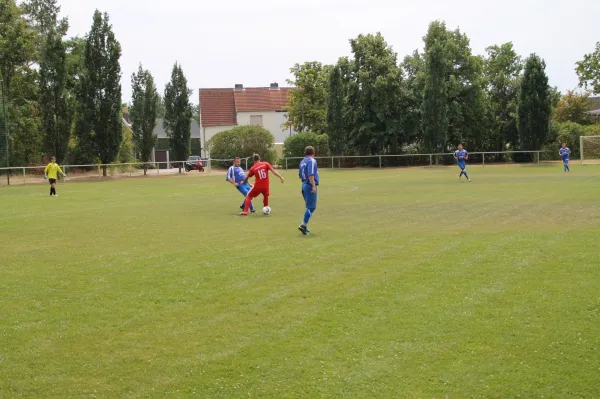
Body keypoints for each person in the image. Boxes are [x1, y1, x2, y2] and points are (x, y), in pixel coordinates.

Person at [298, 146, 319, 236]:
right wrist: (313, 186)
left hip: (304, 185)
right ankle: (303, 225)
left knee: (309, 207)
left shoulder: (302, 161)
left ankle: (305, 226)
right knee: (311, 207)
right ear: (313, 152)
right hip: (309, 185)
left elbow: (300, 175)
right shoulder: (312, 161)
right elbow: (311, 174)